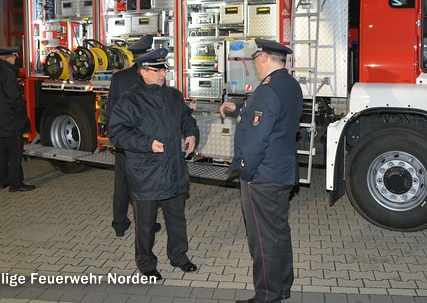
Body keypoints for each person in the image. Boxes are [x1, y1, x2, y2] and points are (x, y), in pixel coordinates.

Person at [220, 39, 303, 303]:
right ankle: (283, 286)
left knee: (262, 239)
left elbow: (257, 138)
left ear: (265, 58)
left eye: (255, 57)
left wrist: (245, 170)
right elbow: (272, 117)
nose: (254, 63)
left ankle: (267, 295)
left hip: (262, 175)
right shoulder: (290, 84)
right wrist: (240, 110)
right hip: (283, 170)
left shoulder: (267, 89)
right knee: (279, 230)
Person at [108, 48, 199, 280]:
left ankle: (179, 256)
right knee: (146, 223)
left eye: (163, 69)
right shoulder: (130, 99)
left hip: (173, 168)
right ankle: (146, 263)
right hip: (145, 171)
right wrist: (147, 144)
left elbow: (186, 117)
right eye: (157, 70)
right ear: (143, 71)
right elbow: (117, 133)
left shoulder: (173, 95)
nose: (162, 75)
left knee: (176, 217)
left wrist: (191, 133)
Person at [105, 34, 163, 238]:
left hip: (125, 141)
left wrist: (115, 137)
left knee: (121, 183)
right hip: (147, 142)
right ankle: (146, 222)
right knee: (146, 183)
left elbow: (110, 110)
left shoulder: (119, 77)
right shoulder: (152, 76)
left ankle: (119, 224)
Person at [0, 46, 35, 192]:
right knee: (15, 153)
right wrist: (23, 116)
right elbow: (15, 100)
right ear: (9, 58)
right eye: (14, 57)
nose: (15, 60)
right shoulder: (8, 74)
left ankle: (3, 180)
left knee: (2, 152)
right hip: (11, 121)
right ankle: (16, 183)